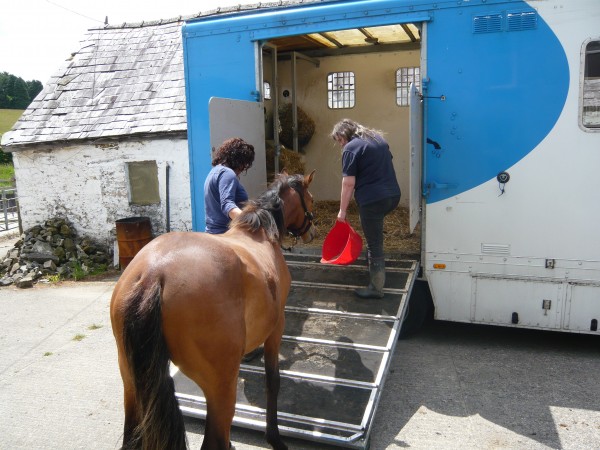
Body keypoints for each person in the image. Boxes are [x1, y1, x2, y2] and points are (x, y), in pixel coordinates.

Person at [330, 119, 401, 299]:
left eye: (339, 140)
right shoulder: (378, 139)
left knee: (374, 244)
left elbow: (348, 184)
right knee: (374, 233)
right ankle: (375, 270)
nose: (340, 145)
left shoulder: (351, 148)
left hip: (373, 200)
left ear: (343, 134)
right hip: (392, 196)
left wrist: (342, 211)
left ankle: (376, 288)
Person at [204, 137, 255, 234]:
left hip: (211, 232)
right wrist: (252, 221)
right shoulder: (228, 173)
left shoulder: (214, 171)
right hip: (226, 232)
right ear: (239, 160)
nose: (244, 168)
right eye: (244, 164)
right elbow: (228, 205)